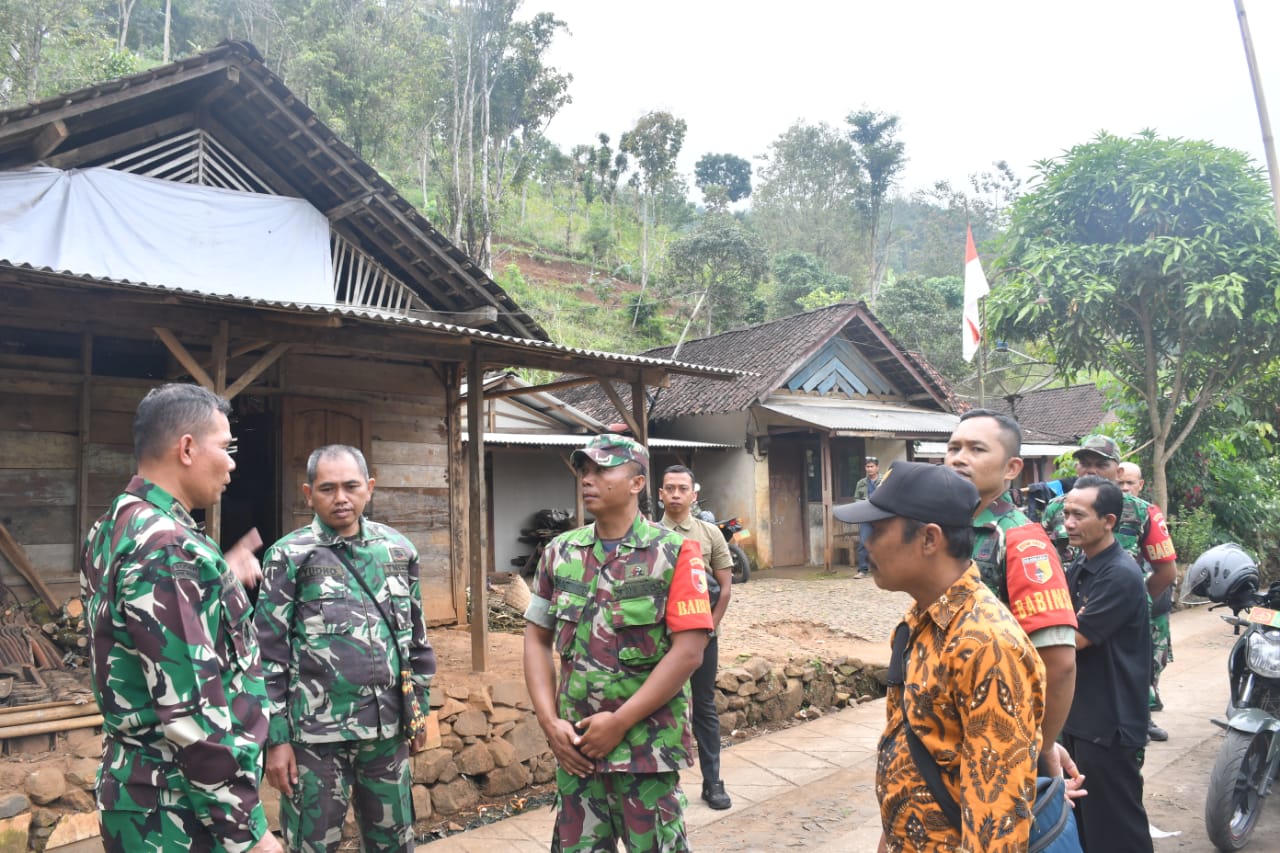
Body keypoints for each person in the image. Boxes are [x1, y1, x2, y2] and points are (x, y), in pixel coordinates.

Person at [80, 383, 282, 853]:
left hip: (150, 798)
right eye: (225, 446)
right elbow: (190, 710)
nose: (232, 462)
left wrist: (217, 577)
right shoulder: (167, 545)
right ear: (187, 448)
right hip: (176, 811)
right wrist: (248, 832)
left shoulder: (116, 524)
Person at [833, 461, 1045, 853]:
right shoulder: (920, 620)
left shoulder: (985, 643)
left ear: (930, 539)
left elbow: (996, 823)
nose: (867, 543)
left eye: (878, 530)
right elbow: (916, 749)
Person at [523, 434, 713, 851]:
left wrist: (621, 722)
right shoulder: (559, 551)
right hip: (578, 749)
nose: (588, 479)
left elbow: (689, 652)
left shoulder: (676, 552)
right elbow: (537, 639)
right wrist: (548, 721)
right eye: (584, 470)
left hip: (647, 751)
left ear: (637, 483)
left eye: (602, 469)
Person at [254, 445, 435, 853]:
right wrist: (276, 740)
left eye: (351, 486)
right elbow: (268, 654)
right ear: (308, 494)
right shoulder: (289, 556)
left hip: (386, 732)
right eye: (327, 488)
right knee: (312, 845)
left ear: (369, 488)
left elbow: (417, 641)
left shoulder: (398, 551)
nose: (341, 498)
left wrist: (418, 708)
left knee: (394, 843)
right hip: (315, 739)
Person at [945, 409, 1078, 775]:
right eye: (953, 447)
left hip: (994, 733)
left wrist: (1041, 745)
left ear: (1012, 468)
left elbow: (1060, 662)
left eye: (976, 449)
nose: (959, 457)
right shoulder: (946, 528)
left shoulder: (1020, 540)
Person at [1041, 436, 1176, 742]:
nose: (1091, 470)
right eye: (1085, 463)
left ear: (1117, 471)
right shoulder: (1054, 510)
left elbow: (1164, 571)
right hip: (1070, 618)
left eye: (1101, 464)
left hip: (1117, 612)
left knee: (1125, 687)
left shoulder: (1142, 512)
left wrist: (1132, 605)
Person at [1059, 476, 1154, 853]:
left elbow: (1071, 637)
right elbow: (1059, 623)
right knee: (1085, 825)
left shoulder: (1119, 574)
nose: (1068, 523)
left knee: (1118, 829)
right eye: (1066, 513)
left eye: (1079, 515)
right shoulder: (1083, 564)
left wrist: (1068, 623)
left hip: (1110, 724)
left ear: (1109, 521)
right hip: (1080, 717)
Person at [658, 464, 734, 810]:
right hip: (659, 639)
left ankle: (713, 781)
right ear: (660, 493)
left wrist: (708, 631)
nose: (675, 494)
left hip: (702, 636)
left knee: (703, 707)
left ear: (694, 494)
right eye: (669, 488)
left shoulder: (709, 534)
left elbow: (726, 589)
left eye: (682, 488)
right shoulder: (646, 534)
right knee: (659, 706)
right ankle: (661, 784)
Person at [852, 456, 881, 578]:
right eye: (867, 467)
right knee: (864, 542)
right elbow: (856, 499)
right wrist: (863, 501)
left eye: (872, 466)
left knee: (882, 542)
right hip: (866, 516)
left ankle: (881, 569)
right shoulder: (861, 483)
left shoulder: (884, 481)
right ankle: (862, 570)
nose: (869, 469)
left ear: (877, 468)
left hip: (881, 517)